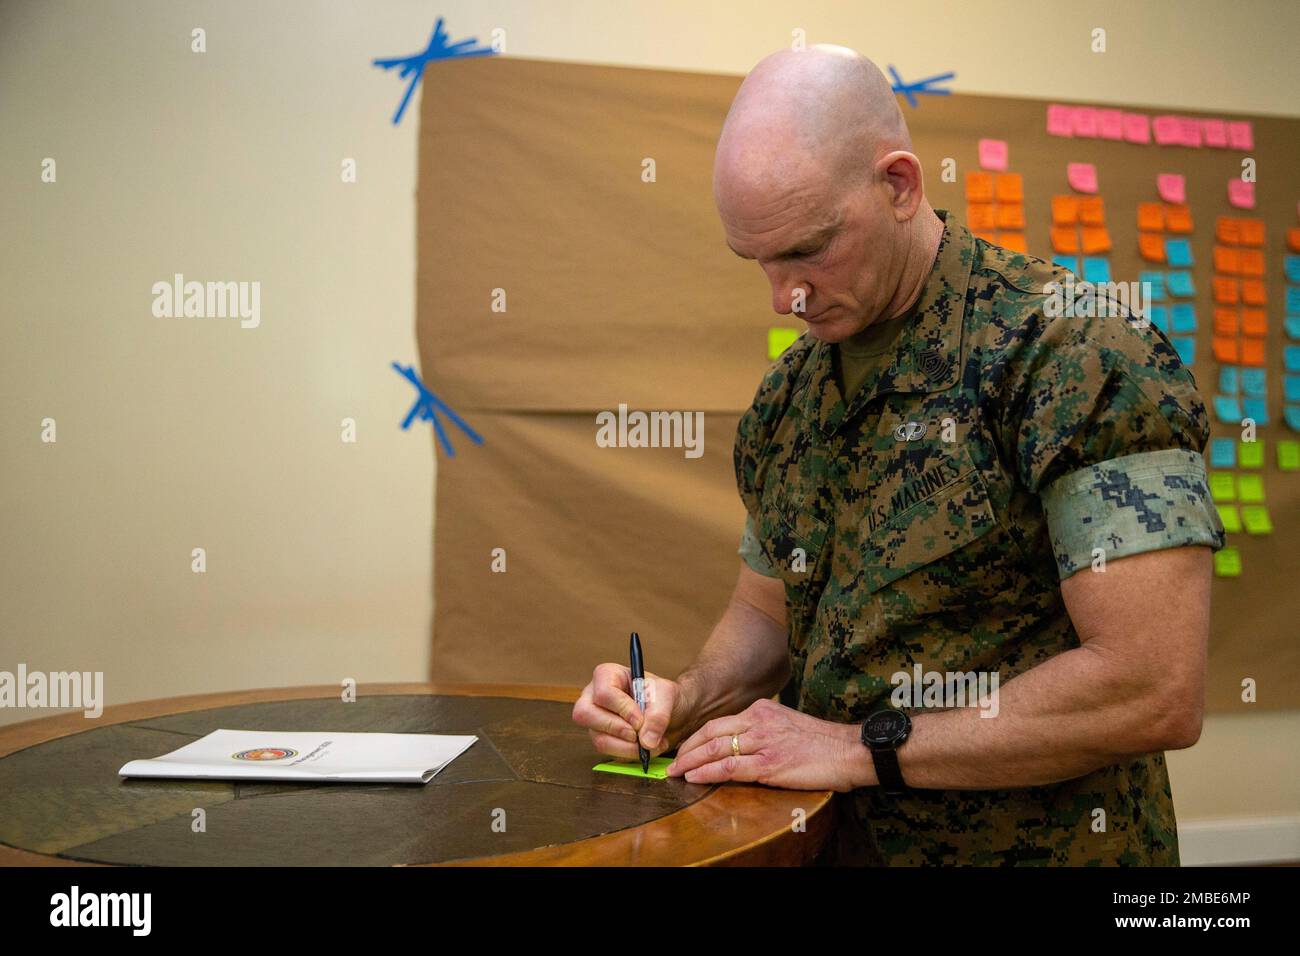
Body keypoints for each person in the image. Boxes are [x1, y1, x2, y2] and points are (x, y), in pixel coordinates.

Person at [572, 44, 1225, 865]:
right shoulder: (790, 395)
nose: (786, 297)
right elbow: (763, 613)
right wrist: (684, 697)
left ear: (899, 185)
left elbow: (1151, 690)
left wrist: (855, 749)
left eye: (809, 249)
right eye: (760, 263)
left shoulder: (1073, 353)